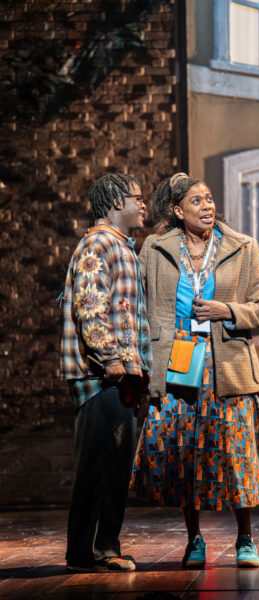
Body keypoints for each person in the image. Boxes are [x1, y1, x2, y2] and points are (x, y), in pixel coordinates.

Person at [130, 172, 259, 569]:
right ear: (178, 211)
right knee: (185, 453)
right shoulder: (155, 249)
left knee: (235, 453)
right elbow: (139, 304)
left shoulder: (242, 247)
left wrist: (226, 310)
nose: (207, 206)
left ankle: (245, 538)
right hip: (177, 361)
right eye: (196, 201)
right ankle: (194, 539)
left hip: (225, 363)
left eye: (210, 199)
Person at [60, 173, 152, 572]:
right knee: (99, 465)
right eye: (137, 198)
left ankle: (100, 549)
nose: (143, 204)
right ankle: (91, 552)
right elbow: (91, 306)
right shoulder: (98, 244)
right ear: (116, 203)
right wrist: (111, 360)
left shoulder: (121, 246)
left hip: (121, 375)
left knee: (113, 465)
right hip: (103, 377)